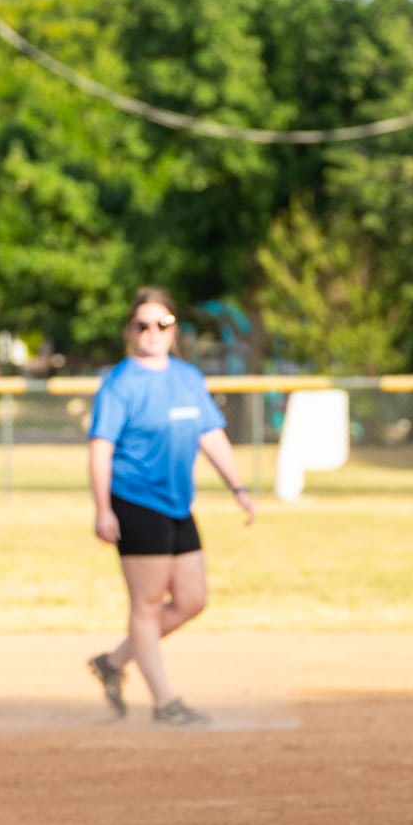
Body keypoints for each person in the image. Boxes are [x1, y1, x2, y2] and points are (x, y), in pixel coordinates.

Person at [85, 288, 256, 726]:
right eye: (142, 325)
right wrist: (103, 508)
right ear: (130, 331)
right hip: (136, 500)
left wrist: (237, 486)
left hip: (178, 503)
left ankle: (114, 662)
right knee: (146, 605)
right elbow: (101, 448)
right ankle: (164, 704)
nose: (152, 333)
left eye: (162, 324)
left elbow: (210, 435)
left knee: (192, 600)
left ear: (174, 328)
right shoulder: (120, 384)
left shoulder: (187, 378)